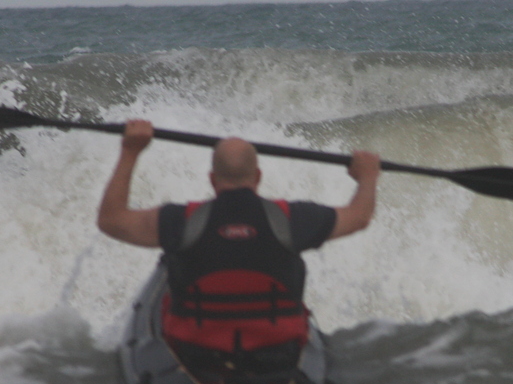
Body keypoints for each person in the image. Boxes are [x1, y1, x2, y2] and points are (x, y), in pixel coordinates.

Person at [97, 119, 380, 370]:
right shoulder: (292, 219)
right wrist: (367, 177)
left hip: (198, 355)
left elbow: (111, 220)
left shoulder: (181, 221)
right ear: (258, 177)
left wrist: (131, 151)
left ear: (212, 179)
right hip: (276, 355)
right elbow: (359, 217)